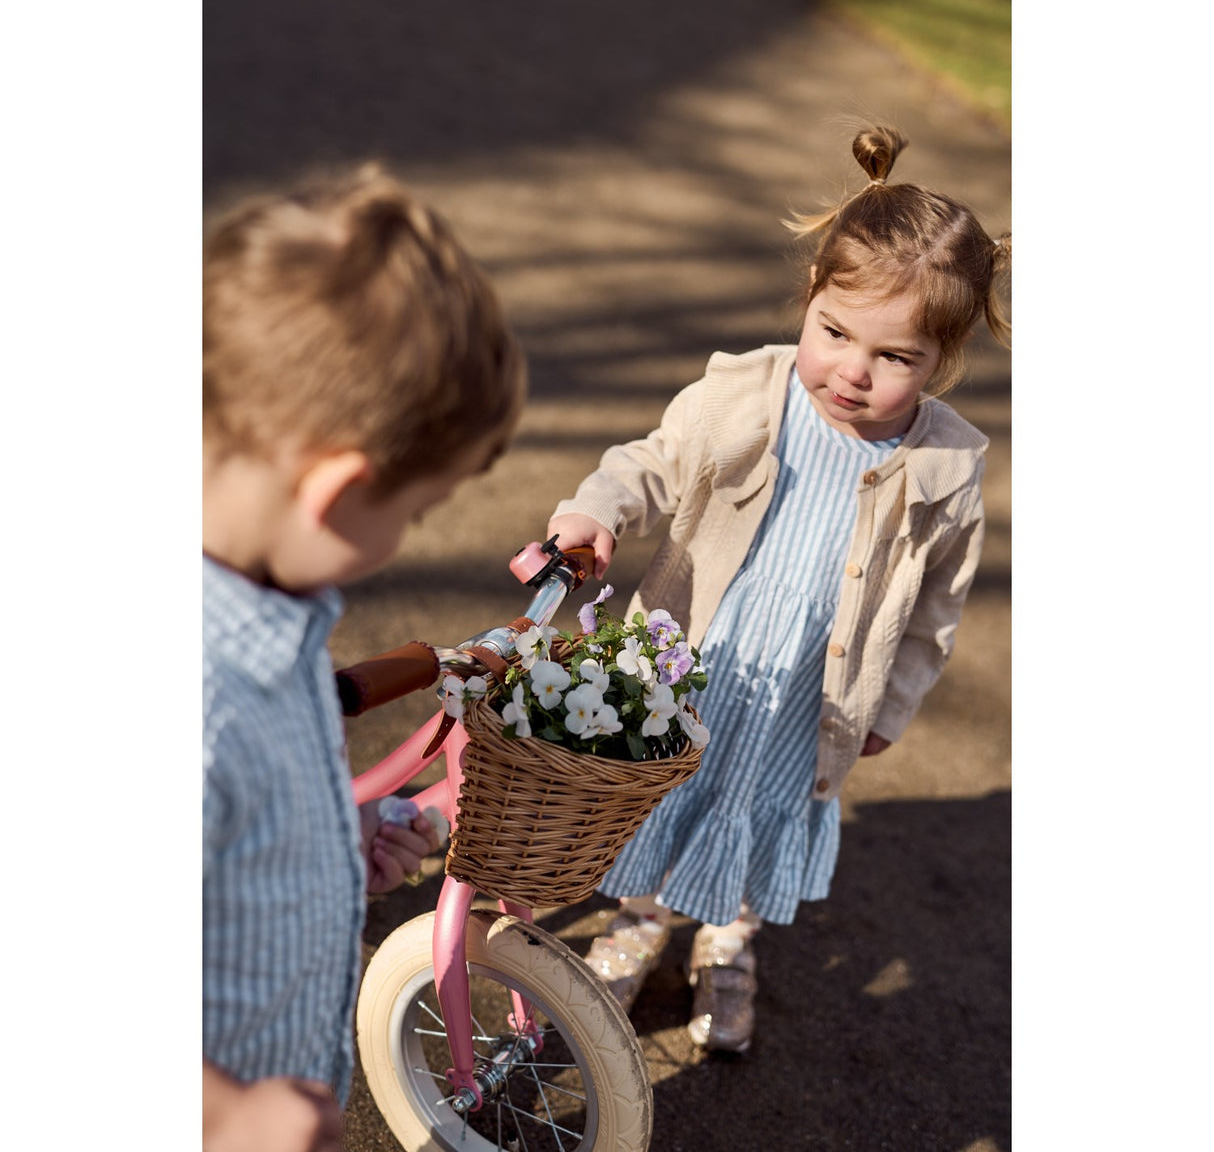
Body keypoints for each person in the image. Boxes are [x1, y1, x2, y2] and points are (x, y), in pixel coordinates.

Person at [547, 123, 1010, 1055]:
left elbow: (936, 608)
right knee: (665, 791)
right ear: (809, 298)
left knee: (761, 808)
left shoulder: (946, 467)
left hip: (808, 689)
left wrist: (897, 701)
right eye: (834, 333)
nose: (852, 370)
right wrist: (597, 509)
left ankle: (729, 940)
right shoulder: (746, 394)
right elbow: (652, 462)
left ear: (942, 362)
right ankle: (638, 921)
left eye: (895, 358)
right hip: (692, 665)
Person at [202, 165, 526, 1150]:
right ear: (337, 493)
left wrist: (329, 838)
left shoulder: (272, 602)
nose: (403, 538)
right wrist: (221, 1113)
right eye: (414, 511)